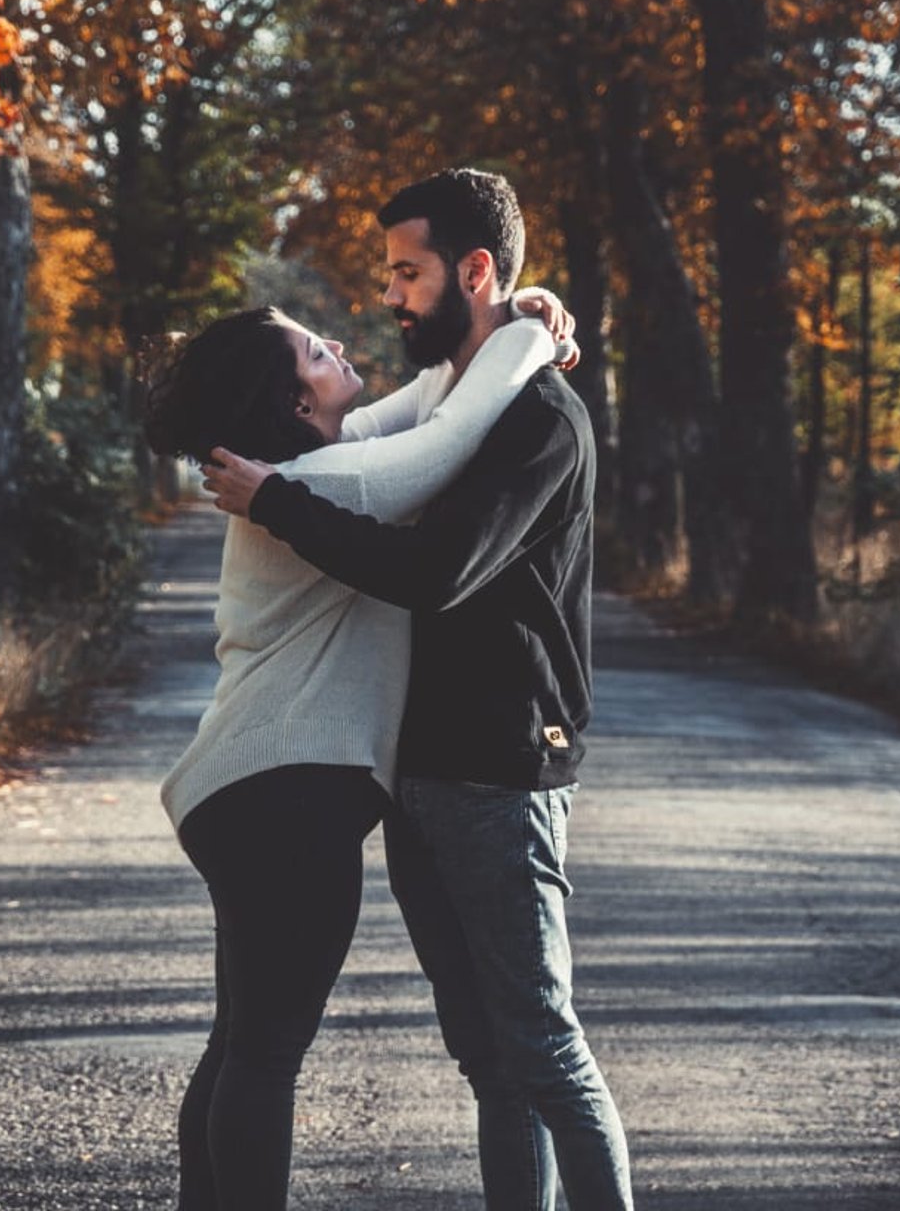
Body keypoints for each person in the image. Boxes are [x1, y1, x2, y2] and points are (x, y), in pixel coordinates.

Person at [201, 168, 634, 1210]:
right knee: (489, 1056)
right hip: (423, 773)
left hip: (502, 770)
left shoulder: (539, 421)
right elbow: (393, 436)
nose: (389, 298)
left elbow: (437, 567)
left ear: (473, 269)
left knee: (542, 1046)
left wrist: (279, 503)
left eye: (408, 273)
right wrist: (527, 315)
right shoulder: (460, 395)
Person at [144, 289, 574, 1210]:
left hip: (257, 793)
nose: (337, 343)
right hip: (282, 797)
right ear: (300, 402)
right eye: (313, 350)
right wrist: (531, 334)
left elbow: (432, 399)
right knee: (263, 1053)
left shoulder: (320, 466)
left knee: (241, 1046)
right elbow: (450, 436)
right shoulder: (323, 487)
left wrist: (516, 315)